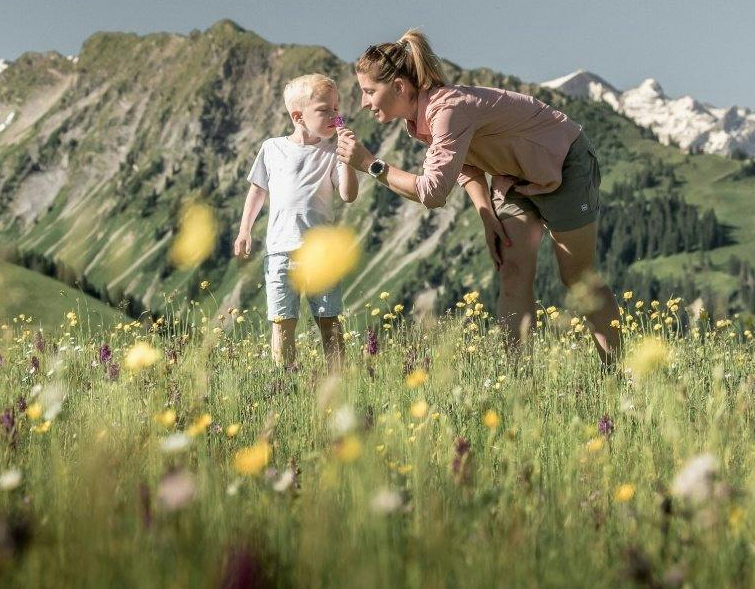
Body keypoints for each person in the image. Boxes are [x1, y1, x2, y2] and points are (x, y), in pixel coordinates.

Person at [334, 30, 619, 360]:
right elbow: (466, 166)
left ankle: (619, 373)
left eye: (369, 91)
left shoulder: (448, 110)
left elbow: (433, 192)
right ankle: (517, 380)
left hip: (564, 163)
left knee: (577, 278)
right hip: (513, 177)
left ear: (399, 87)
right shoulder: (418, 121)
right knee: (512, 271)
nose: (364, 102)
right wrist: (486, 214)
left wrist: (370, 164)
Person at [234, 74, 359, 368]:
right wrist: (244, 230)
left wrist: (349, 159)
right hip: (280, 250)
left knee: (329, 320)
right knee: (282, 322)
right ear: (298, 116)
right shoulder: (272, 148)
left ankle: (338, 379)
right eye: (325, 110)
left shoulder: (332, 152)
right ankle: (285, 381)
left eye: (336, 109)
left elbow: (348, 194)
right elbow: (258, 190)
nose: (334, 115)